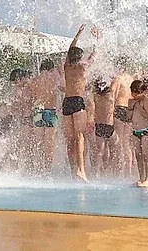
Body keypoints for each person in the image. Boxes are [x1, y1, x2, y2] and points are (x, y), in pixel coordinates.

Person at [61, 24, 95, 181]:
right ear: (80, 57)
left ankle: (73, 170)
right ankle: (81, 169)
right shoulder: (83, 67)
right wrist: (96, 40)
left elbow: (70, 48)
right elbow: (94, 55)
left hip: (67, 102)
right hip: (78, 101)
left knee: (70, 139)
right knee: (79, 137)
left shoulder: (66, 66)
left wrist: (78, 34)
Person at [28, 59, 61, 174]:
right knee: (49, 142)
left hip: (38, 111)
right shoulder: (54, 80)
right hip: (50, 112)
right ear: (51, 70)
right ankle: (47, 169)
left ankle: (38, 167)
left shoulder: (34, 81)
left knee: (38, 141)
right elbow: (63, 88)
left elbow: (31, 98)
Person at [128, 79, 148, 187]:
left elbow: (147, 115)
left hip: (146, 131)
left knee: (146, 154)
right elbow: (128, 117)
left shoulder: (146, 100)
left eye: (136, 93)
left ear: (141, 92)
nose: (134, 95)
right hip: (136, 130)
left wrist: (138, 106)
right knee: (138, 155)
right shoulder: (131, 101)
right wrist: (130, 108)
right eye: (133, 92)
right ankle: (141, 178)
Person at [109, 64, 136, 175]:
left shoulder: (118, 79)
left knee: (119, 142)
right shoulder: (131, 79)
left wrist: (111, 112)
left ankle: (118, 171)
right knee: (126, 143)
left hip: (120, 108)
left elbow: (112, 95)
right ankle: (128, 171)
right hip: (129, 110)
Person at [90, 78, 116, 177]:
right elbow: (113, 85)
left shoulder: (96, 96)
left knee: (100, 151)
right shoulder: (110, 96)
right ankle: (110, 170)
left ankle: (96, 173)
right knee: (115, 148)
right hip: (109, 125)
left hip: (99, 125)